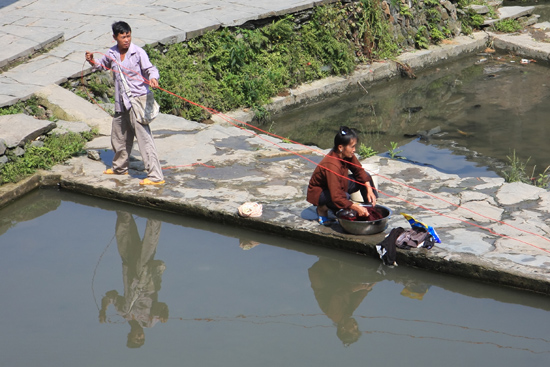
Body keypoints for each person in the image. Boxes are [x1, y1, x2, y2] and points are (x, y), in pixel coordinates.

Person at [85, 21, 165, 185]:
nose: (126, 40)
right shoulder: (112, 53)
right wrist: (92, 62)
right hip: (121, 103)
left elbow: (150, 69)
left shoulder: (138, 53)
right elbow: (102, 66)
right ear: (115, 37)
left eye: (128, 36)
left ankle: (156, 176)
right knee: (119, 137)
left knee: (144, 140)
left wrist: (153, 78)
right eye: (123, 37)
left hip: (136, 102)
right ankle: (120, 168)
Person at [307, 126, 377, 225]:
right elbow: (336, 196)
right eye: (352, 146)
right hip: (321, 192)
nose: (354, 150)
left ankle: (368, 209)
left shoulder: (347, 155)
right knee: (344, 197)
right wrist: (355, 206)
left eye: (355, 146)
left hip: (339, 184)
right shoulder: (332, 165)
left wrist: (369, 190)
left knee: (365, 176)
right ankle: (323, 208)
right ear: (340, 147)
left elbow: (359, 171)